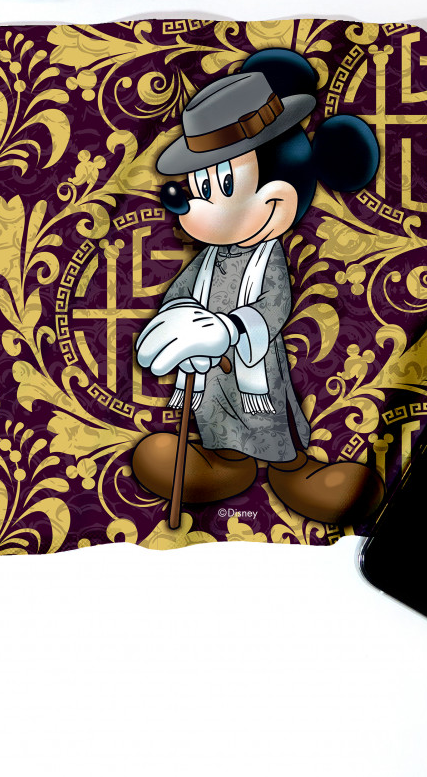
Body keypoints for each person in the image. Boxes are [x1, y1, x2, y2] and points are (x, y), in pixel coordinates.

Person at [131, 49, 385, 525]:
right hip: (212, 375)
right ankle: (225, 464)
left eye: (222, 186)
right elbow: (181, 294)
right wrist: (177, 322)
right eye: (197, 187)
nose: (190, 205)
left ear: (276, 201)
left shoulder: (268, 262)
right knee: (218, 422)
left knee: (269, 426)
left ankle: (294, 473)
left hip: (256, 371)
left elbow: (272, 308)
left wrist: (226, 330)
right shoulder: (208, 260)